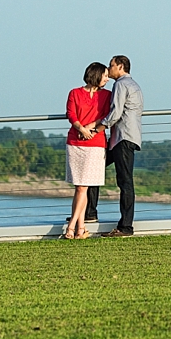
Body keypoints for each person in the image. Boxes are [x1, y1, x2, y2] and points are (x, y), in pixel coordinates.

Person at [91, 55, 143, 238]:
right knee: (94, 168)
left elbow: (116, 112)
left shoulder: (120, 84)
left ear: (120, 67)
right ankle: (90, 213)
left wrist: (97, 128)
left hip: (123, 139)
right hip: (123, 138)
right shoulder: (134, 85)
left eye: (111, 65)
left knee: (125, 181)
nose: (108, 68)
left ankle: (126, 227)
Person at [62, 62, 111, 240]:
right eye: (105, 75)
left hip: (96, 143)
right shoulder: (74, 93)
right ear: (96, 75)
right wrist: (81, 129)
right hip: (75, 142)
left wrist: (89, 128)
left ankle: (71, 227)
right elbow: (71, 114)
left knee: (82, 187)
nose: (107, 78)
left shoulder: (107, 95)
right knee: (80, 188)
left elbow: (105, 115)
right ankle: (80, 228)